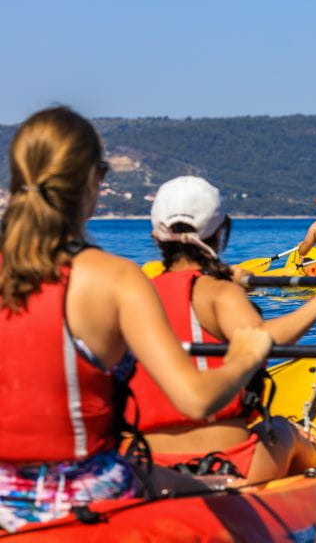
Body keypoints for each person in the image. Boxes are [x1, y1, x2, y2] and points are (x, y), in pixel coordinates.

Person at [0, 108, 272, 532]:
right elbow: (196, 399)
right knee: (218, 484)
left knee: (167, 477)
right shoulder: (115, 278)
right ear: (94, 181)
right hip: (86, 493)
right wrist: (245, 355)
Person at [128, 175, 316, 485]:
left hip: (147, 464)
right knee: (285, 431)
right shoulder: (220, 293)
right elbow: (266, 339)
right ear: (221, 231)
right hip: (231, 463)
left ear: (156, 235)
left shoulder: (134, 295)